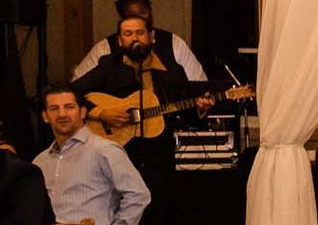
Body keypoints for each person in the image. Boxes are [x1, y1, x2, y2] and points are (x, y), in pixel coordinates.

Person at [71, 14, 214, 182]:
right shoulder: (108, 67)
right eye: (128, 34)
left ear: (151, 37)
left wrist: (200, 109)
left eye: (139, 32)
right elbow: (73, 93)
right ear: (119, 41)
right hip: (117, 152)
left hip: (159, 155)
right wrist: (101, 113)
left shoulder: (173, 72)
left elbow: (184, 111)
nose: (134, 38)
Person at [33, 85, 150, 225]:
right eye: (54, 109)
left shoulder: (104, 150)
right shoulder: (40, 161)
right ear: (45, 117)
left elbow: (139, 195)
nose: (62, 114)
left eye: (69, 107)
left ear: (83, 111)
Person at [73, 0, 207, 82]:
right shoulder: (104, 48)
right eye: (132, 16)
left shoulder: (173, 44)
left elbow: (198, 84)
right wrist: (101, 112)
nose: (140, 20)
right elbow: (76, 90)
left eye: (143, 13)